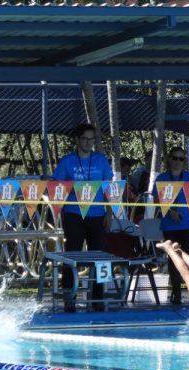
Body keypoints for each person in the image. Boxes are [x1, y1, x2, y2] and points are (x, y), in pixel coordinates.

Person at [52, 123, 114, 311]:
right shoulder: (67, 161)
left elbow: (109, 189)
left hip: (97, 214)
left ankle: (98, 296)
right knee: (72, 254)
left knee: (100, 256)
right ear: (77, 140)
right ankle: (69, 297)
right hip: (74, 214)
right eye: (85, 139)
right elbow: (56, 187)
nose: (88, 143)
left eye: (92, 139)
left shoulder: (101, 161)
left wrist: (109, 213)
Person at [154, 146, 189, 305]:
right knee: (174, 260)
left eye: (181, 158)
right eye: (175, 158)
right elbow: (157, 201)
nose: (177, 161)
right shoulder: (162, 179)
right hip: (170, 226)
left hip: (187, 224)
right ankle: (176, 293)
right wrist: (170, 211)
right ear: (169, 159)